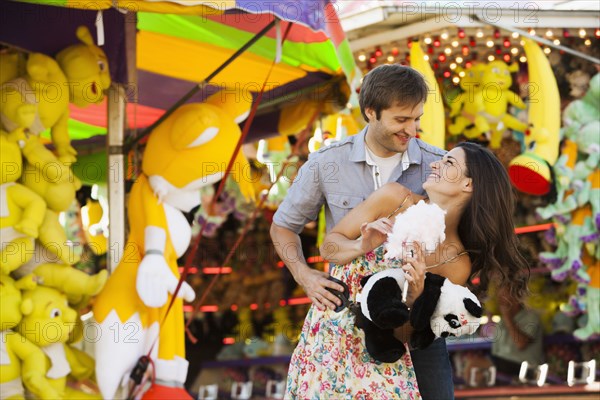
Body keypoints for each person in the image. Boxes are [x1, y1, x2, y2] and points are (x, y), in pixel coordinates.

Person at [285, 142, 530, 398]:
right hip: (329, 338)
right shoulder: (394, 198)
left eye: (448, 163)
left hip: (381, 366)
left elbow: (405, 336)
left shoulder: (457, 263)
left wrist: (416, 296)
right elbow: (328, 247)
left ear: (468, 184)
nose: (434, 164)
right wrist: (362, 244)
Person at [271, 64, 452, 398]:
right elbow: (283, 226)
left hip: (419, 319)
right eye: (401, 120)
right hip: (347, 321)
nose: (411, 130)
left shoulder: (438, 164)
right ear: (371, 112)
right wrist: (305, 276)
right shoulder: (327, 162)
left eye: (417, 118)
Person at [491, 299, 544, 378]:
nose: (502, 302)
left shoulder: (531, 317)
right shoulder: (501, 322)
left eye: (505, 296)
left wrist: (508, 318)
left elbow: (521, 344)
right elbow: (495, 353)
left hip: (526, 367)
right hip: (502, 364)